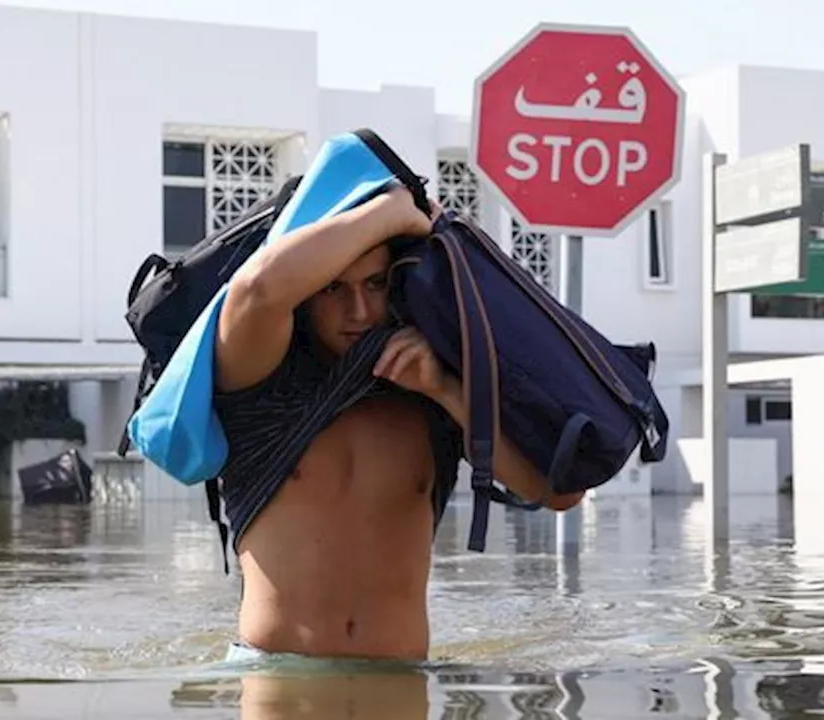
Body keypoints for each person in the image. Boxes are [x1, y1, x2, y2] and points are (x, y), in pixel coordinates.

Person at [211, 184, 585, 664]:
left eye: (375, 284)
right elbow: (258, 290)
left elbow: (560, 494)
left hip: (401, 682)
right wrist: (391, 212)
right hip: (278, 685)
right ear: (304, 294)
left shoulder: (432, 400)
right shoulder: (259, 385)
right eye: (332, 288)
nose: (360, 312)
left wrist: (445, 391)